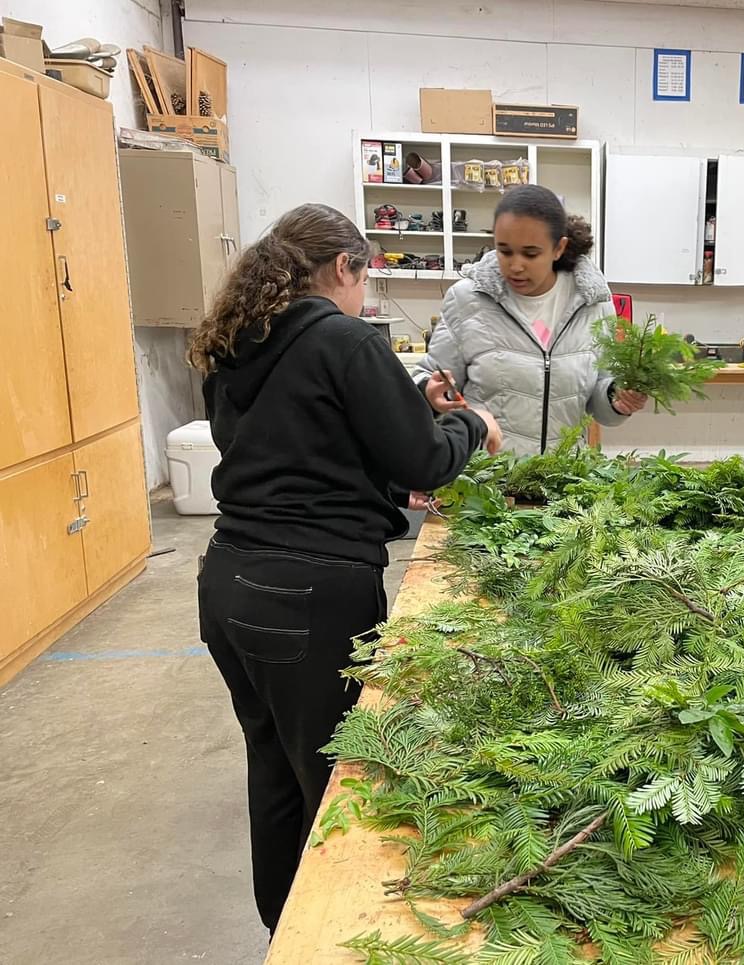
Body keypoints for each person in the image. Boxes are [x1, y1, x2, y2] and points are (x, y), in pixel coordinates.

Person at [189, 203, 501, 933]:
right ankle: (330, 936)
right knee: (340, 788)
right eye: (367, 278)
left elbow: (297, 444)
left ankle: (284, 927)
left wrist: (406, 404)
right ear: (343, 268)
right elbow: (423, 461)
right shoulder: (343, 338)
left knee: (274, 768)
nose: (366, 295)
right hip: (308, 597)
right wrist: (467, 424)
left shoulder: (241, 335)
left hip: (229, 581)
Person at [412, 184, 648, 457]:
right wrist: (430, 393)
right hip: (487, 480)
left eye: (530, 253)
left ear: (559, 248)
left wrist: (616, 398)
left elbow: (599, 392)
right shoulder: (468, 300)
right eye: (505, 251)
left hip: (562, 480)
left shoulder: (593, 304)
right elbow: (429, 375)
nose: (515, 265)